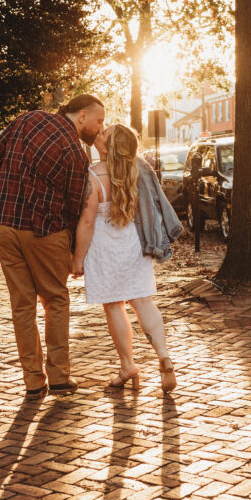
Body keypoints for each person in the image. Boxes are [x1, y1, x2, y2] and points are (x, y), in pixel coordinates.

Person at [0, 94, 105, 399]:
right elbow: (74, 207)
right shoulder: (75, 152)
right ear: (82, 115)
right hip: (47, 234)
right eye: (99, 120)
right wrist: (74, 251)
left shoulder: (27, 120)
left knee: (22, 304)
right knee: (56, 300)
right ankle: (58, 378)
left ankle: (33, 382)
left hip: (6, 228)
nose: (100, 128)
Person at [71, 123, 178, 392]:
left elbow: (86, 223)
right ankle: (163, 354)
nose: (100, 132)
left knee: (114, 306)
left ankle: (127, 364)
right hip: (133, 242)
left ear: (108, 146)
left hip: (104, 248)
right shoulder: (138, 169)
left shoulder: (93, 177)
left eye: (104, 133)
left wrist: (77, 259)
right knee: (143, 301)